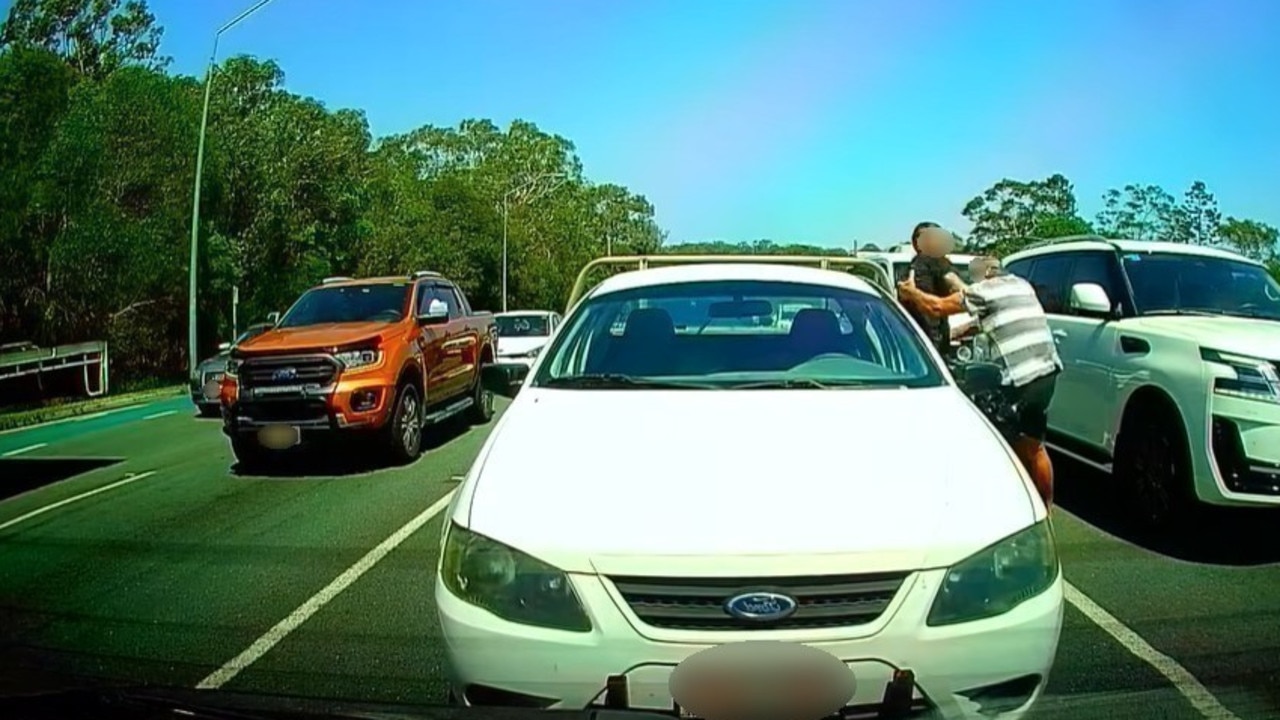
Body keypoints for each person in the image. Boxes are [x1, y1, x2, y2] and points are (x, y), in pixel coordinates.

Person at [897, 256, 1061, 508]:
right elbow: (991, 317)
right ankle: (1038, 504)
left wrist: (911, 292)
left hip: (1022, 377)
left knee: (1016, 444)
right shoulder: (1020, 284)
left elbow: (937, 308)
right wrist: (954, 333)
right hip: (1046, 371)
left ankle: (1028, 504)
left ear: (985, 275)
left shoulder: (985, 290)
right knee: (1029, 443)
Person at [902, 223, 966, 355]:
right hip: (933, 337)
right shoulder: (936, 262)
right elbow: (957, 286)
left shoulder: (910, 269)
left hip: (912, 336)